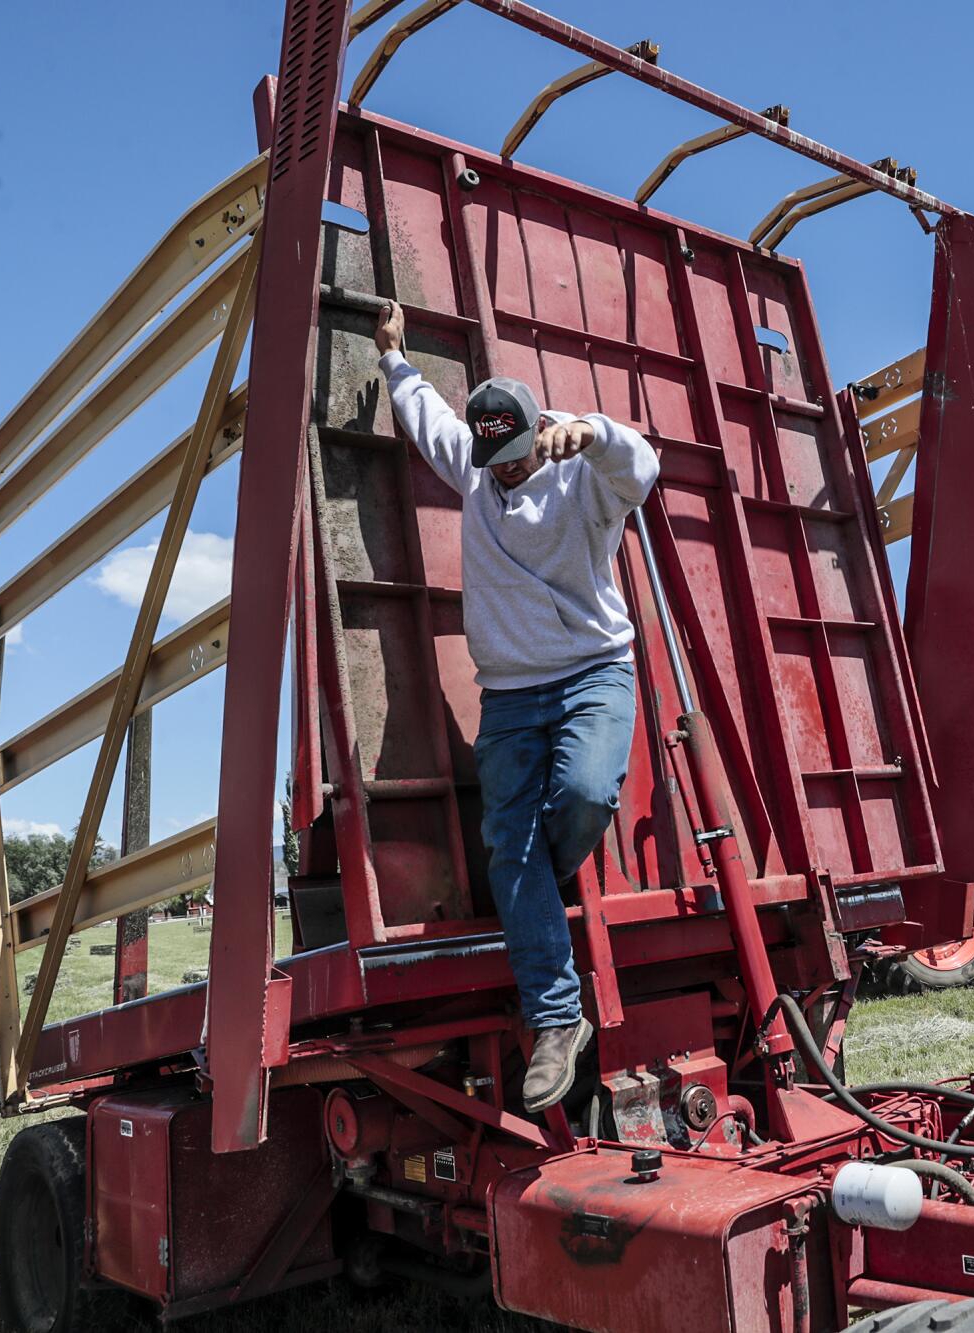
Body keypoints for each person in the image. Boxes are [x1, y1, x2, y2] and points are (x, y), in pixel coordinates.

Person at [374, 300, 658, 1112]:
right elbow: (430, 423)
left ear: (541, 436)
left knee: (581, 795)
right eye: (492, 465)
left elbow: (643, 470)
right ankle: (557, 1017)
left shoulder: (581, 479)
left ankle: (538, 879)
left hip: (592, 672)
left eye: (515, 460)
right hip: (508, 694)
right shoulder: (479, 466)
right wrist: (396, 358)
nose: (504, 477)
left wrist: (594, 433)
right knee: (509, 846)